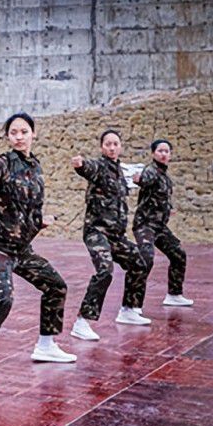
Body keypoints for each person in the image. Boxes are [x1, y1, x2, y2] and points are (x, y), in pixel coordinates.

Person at [0, 112, 76, 392]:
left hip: (21, 249)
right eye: (14, 133)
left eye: (24, 132)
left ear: (33, 134)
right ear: (8, 137)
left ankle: (46, 345)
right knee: (3, 298)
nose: (19, 137)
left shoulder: (35, 168)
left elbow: (33, 209)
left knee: (56, 286)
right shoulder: (4, 162)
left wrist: (41, 221)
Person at [69, 130, 151, 340]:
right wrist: (80, 165)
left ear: (120, 147)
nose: (112, 148)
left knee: (139, 262)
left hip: (116, 236)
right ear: (102, 147)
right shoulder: (99, 167)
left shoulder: (120, 173)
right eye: (108, 144)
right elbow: (88, 168)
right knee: (105, 270)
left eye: (115, 144)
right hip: (97, 233)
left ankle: (129, 310)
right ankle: (82, 322)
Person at [132, 139, 193, 307]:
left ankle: (174, 295)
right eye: (160, 151)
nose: (164, 154)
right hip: (145, 225)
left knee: (178, 255)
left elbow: (163, 197)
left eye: (167, 151)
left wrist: (169, 208)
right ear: (153, 153)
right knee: (146, 259)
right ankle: (131, 307)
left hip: (159, 227)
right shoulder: (151, 170)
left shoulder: (166, 177)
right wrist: (140, 180)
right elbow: (145, 179)